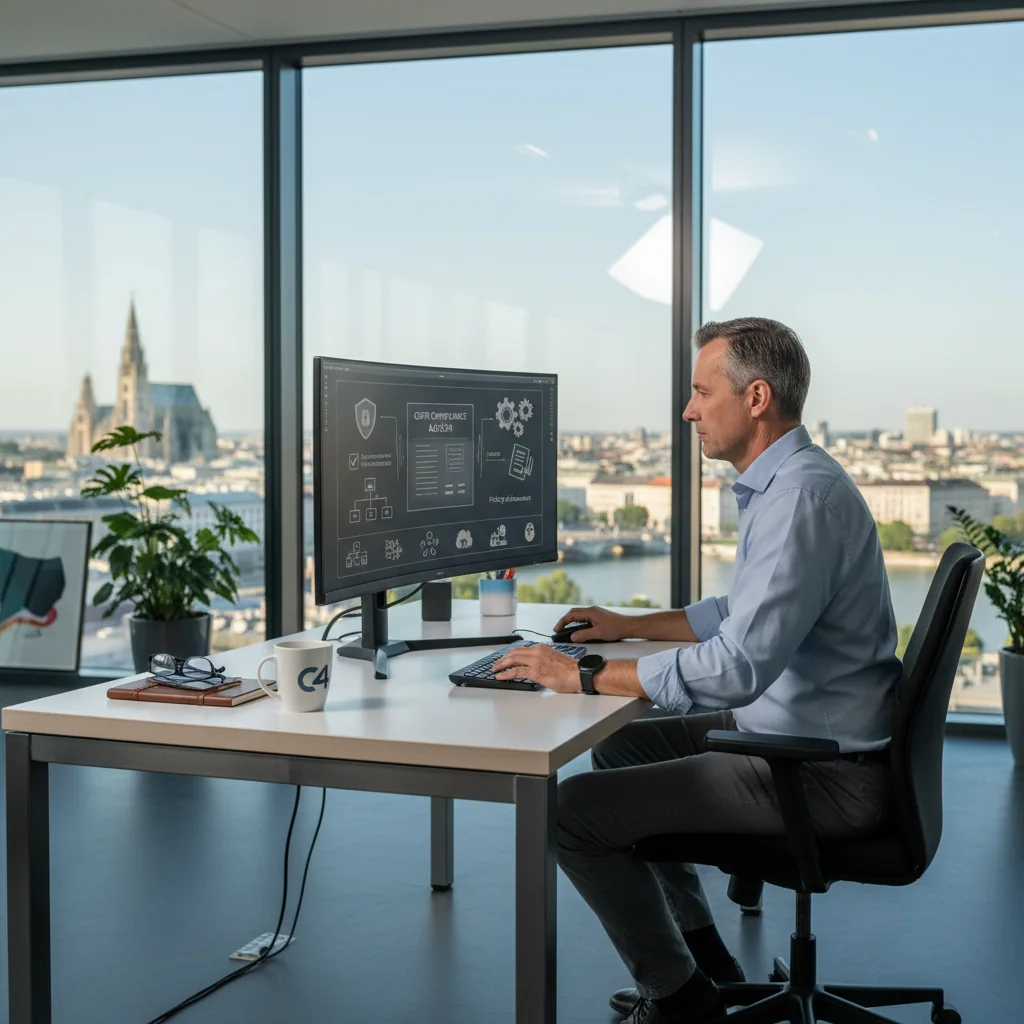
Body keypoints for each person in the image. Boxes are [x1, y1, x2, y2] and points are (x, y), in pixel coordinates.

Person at [492, 317, 901, 1024]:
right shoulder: (791, 483)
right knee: (620, 745)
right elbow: (735, 613)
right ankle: (706, 962)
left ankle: (682, 1003)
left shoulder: (799, 500)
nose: (686, 411)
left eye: (699, 392)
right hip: (805, 738)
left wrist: (582, 676)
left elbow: (737, 666)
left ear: (756, 399)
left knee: (570, 815)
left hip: (818, 773)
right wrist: (628, 626)